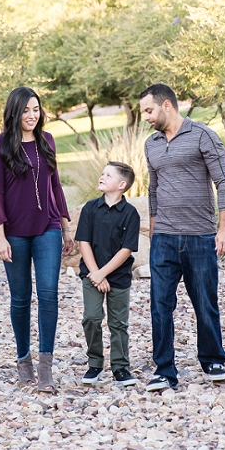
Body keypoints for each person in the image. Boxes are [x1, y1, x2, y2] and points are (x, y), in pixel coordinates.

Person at [139, 83, 225, 392]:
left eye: (149, 110)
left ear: (167, 106)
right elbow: (153, 191)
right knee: (160, 305)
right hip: (164, 237)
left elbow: (224, 182)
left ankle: (212, 359)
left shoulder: (202, 135)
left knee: (204, 301)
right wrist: (154, 233)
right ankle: (164, 370)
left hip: (199, 236)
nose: (146, 117)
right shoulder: (151, 144)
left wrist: (224, 227)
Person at [0, 86, 73, 391]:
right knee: (21, 299)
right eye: (25, 110)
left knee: (48, 294)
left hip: (47, 227)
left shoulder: (46, 140)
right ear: (14, 112)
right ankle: (24, 361)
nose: (32, 115)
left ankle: (45, 368)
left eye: (36, 109)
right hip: (15, 233)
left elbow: (56, 185)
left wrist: (64, 225)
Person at [76, 161, 142, 387]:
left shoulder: (130, 214)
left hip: (118, 278)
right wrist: (95, 274)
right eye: (102, 173)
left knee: (118, 323)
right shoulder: (90, 209)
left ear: (122, 185)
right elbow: (83, 242)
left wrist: (103, 274)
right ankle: (94, 363)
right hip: (91, 275)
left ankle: (120, 368)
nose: (101, 177)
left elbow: (126, 250)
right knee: (92, 318)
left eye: (108, 175)